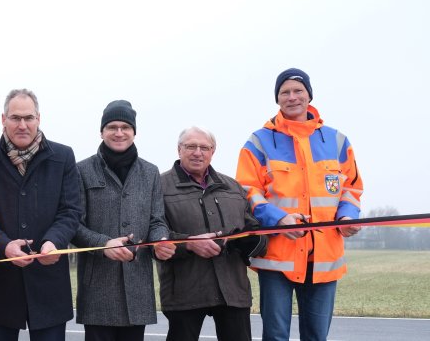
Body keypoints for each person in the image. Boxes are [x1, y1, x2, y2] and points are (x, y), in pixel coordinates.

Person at [236, 68, 363, 341]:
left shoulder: (337, 141)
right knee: (275, 335)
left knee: (317, 336)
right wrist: (278, 219)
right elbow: (247, 190)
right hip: (277, 258)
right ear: (277, 99)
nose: (292, 97)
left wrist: (347, 217)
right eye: (285, 92)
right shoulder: (258, 141)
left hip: (324, 257)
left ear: (309, 96)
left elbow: (351, 187)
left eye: (298, 91)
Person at [0, 89, 83, 341]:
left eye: (29, 118)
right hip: (1, 286)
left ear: (39, 119)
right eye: (15, 118)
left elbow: (71, 210)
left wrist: (54, 241)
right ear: (3, 119)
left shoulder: (63, 157)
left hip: (49, 284)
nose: (22, 125)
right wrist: (3, 245)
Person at [71, 99, 175, 341]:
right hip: (98, 288)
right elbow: (74, 225)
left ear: (134, 132)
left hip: (137, 285)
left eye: (125, 127)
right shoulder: (82, 170)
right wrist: (104, 244)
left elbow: (157, 220)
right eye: (112, 127)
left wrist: (160, 239)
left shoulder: (150, 172)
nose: (119, 133)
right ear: (101, 131)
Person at [158, 126, 267, 341]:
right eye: (190, 146)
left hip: (233, 291)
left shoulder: (233, 187)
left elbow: (258, 235)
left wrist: (242, 241)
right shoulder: (159, 186)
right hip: (184, 292)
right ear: (179, 150)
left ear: (213, 151)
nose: (197, 152)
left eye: (204, 147)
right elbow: (153, 236)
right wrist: (188, 244)